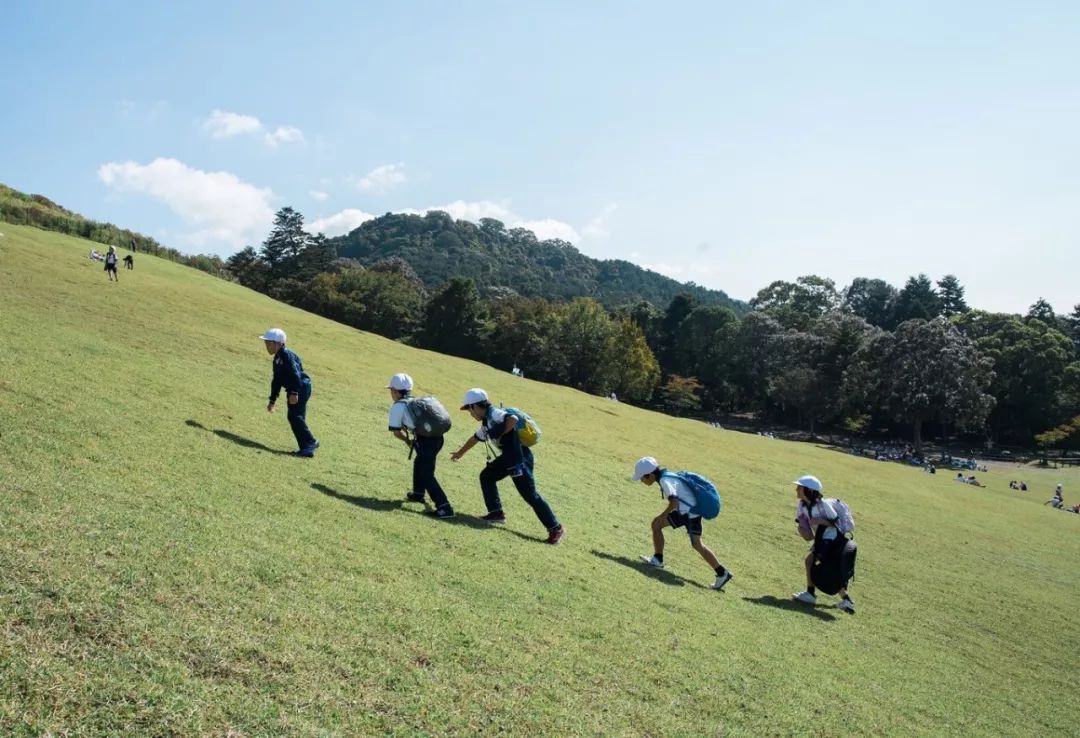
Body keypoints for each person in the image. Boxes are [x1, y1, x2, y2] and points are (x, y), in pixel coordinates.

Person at [450, 388, 565, 544]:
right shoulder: (487, 421)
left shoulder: (494, 414)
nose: (470, 414)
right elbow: (475, 438)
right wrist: (460, 453)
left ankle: (555, 528)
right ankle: (496, 513)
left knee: (530, 495)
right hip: (508, 458)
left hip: (519, 458)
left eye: (470, 410)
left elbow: (513, 419)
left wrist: (500, 432)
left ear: (475, 406)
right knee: (487, 476)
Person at [633, 457, 732, 590]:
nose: (641, 481)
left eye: (642, 478)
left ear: (649, 475)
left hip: (687, 513)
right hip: (693, 511)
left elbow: (674, 502)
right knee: (697, 544)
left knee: (656, 524)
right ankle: (722, 573)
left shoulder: (664, 480)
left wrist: (662, 516)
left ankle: (658, 559)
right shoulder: (667, 476)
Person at [387, 373, 454, 519]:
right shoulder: (415, 401)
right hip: (438, 439)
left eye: (391, 390)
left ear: (396, 391)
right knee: (421, 464)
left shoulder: (398, 406)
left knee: (426, 473)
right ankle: (418, 494)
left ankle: (444, 507)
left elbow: (397, 433)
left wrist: (408, 441)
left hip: (425, 441)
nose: (391, 393)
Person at [792, 475, 855, 613]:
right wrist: (802, 529)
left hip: (831, 540)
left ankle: (811, 594)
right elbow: (808, 535)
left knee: (813, 563)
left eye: (800, 487)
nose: (796, 489)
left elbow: (835, 522)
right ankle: (846, 600)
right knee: (818, 566)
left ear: (808, 490)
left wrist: (821, 521)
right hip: (820, 541)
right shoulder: (802, 506)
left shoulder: (823, 505)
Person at [259, 328, 318, 457]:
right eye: (266, 343)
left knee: (294, 416)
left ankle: (311, 442)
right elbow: (277, 381)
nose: (267, 346)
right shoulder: (277, 358)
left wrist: (294, 393)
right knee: (296, 417)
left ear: (279, 343)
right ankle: (306, 449)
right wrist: (272, 400)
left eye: (269, 343)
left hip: (301, 387)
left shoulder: (286, 355)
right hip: (297, 388)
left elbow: (295, 374)